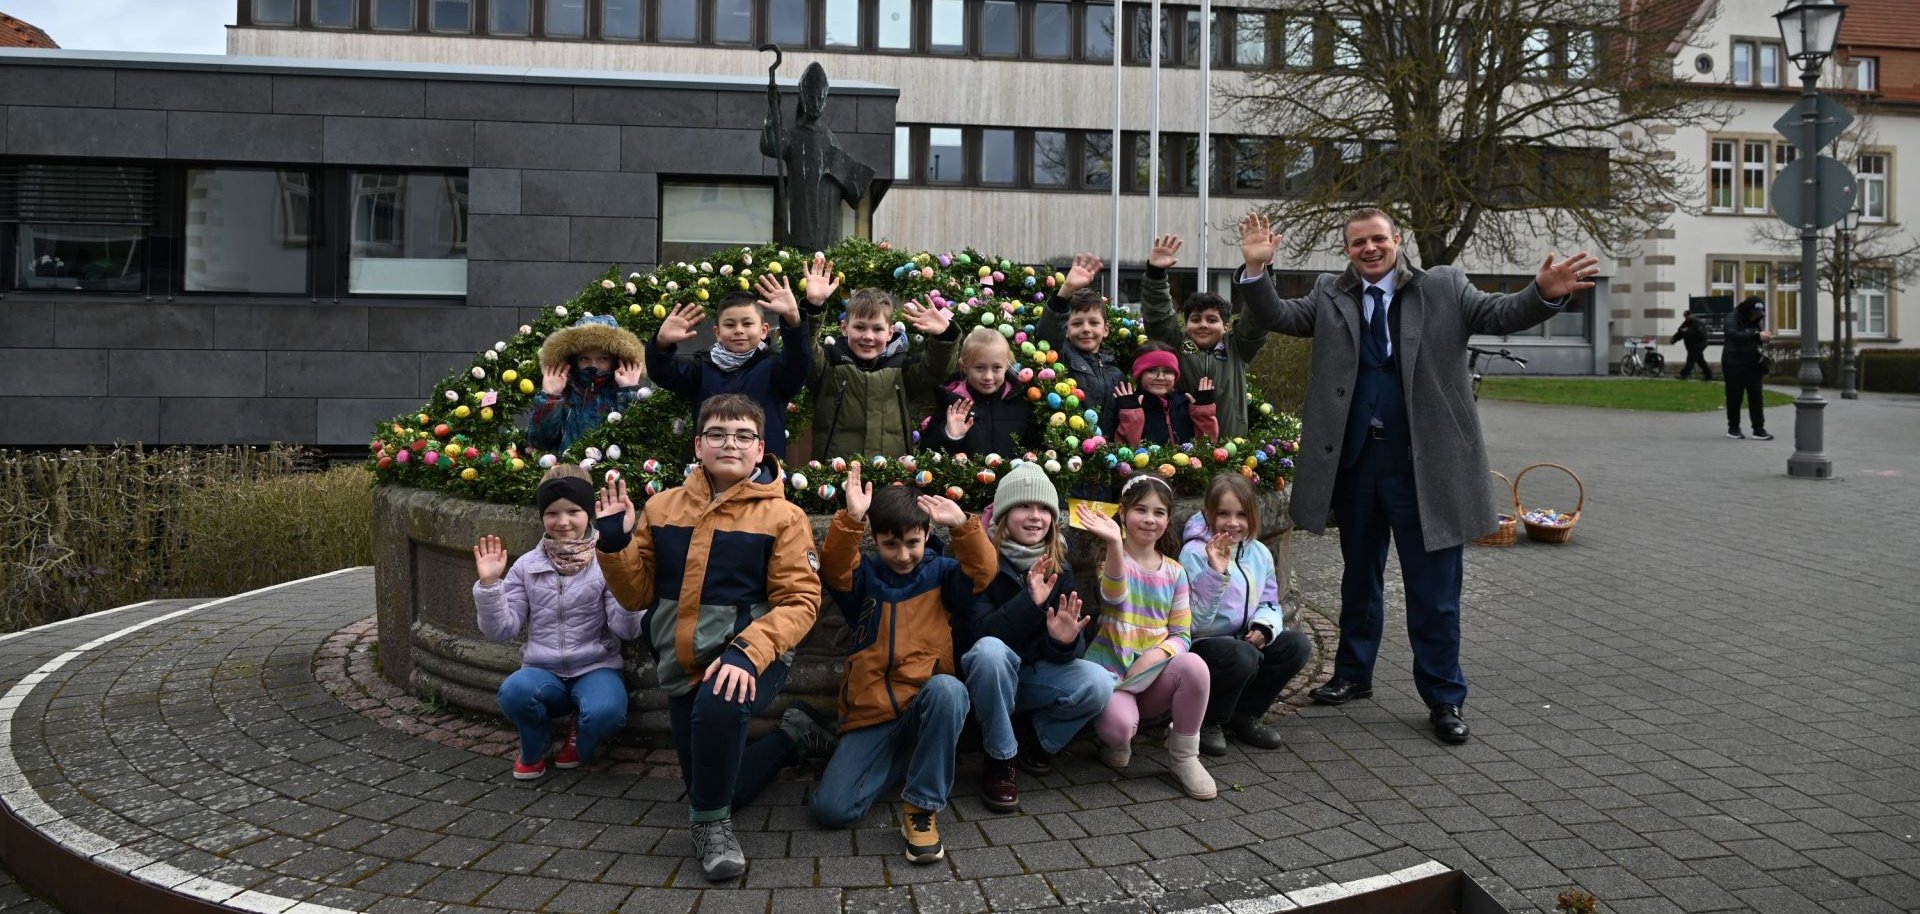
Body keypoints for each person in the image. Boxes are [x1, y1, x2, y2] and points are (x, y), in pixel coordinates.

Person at [1235, 208, 1599, 745]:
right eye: (1358, 242)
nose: (1369, 249)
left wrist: (1542, 293)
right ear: (1348, 249)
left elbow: (1498, 314)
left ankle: (1444, 697)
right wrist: (1255, 272)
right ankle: (1353, 674)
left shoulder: (1445, 286)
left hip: (1425, 470)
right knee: (1359, 579)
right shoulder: (1330, 294)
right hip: (1357, 466)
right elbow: (1279, 317)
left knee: (1435, 592)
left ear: (1397, 240)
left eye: (1378, 239)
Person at [592, 394, 824, 882]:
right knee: (716, 786)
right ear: (699, 444)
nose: (730, 444)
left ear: (760, 449)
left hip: (752, 657)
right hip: (683, 659)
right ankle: (792, 739)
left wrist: (747, 652)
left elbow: (800, 602)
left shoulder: (784, 517)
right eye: (717, 434)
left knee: (718, 720)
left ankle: (711, 831)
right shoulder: (661, 507)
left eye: (743, 436)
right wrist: (613, 542)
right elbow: (636, 596)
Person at [811, 466, 997, 864]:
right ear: (876, 540)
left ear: (928, 535)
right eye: (890, 544)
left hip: (924, 704)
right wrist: (852, 518)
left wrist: (963, 524)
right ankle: (908, 760)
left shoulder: (943, 574)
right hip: (872, 713)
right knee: (831, 810)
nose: (902, 554)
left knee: (950, 690)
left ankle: (921, 807)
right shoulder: (864, 577)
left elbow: (983, 573)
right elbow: (834, 569)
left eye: (912, 542)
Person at [472, 464, 643, 780]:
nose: (563, 522)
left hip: (596, 667)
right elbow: (501, 630)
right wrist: (489, 586)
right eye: (552, 513)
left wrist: (622, 558)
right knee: (514, 692)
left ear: (589, 513)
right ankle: (534, 746)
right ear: (542, 517)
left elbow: (627, 629)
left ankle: (581, 742)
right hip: (542, 669)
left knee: (606, 713)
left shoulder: (606, 559)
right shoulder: (527, 566)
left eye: (573, 511)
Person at [960, 461, 1112, 813]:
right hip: (990, 679)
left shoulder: (1061, 567)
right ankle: (1000, 758)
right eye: (1024, 506)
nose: (1035, 516)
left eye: (1044, 508)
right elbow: (977, 637)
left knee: (1099, 683)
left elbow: (1066, 653)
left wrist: (1063, 641)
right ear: (1004, 514)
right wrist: (1029, 602)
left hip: (1033, 678)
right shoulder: (983, 562)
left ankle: (1036, 739)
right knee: (989, 652)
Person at [1076, 476, 1216, 801]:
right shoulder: (1112, 561)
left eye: (1159, 512)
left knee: (1194, 667)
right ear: (1123, 514)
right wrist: (1113, 543)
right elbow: (1113, 596)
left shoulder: (1175, 572)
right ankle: (1117, 739)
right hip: (1114, 675)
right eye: (1141, 509)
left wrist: (1157, 655)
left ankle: (1183, 756)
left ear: (1168, 520)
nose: (1150, 519)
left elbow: (1182, 634)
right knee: (1120, 728)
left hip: (1153, 675)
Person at [1179, 473, 1312, 756]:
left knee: (1297, 646)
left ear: (1252, 516)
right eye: (1223, 514)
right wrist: (1216, 573)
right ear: (1208, 513)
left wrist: (1265, 627)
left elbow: (1270, 601)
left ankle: (1245, 714)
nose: (1233, 523)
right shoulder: (1193, 554)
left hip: (1244, 640)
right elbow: (1195, 622)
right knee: (1242, 655)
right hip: (1205, 644)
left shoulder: (1259, 553)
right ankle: (1209, 720)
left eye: (1241, 514)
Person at [645, 265, 817, 458]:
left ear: (764, 330)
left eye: (747, 323)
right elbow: (662, 372)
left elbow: (799, 362)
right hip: (712, 474)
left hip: (762, 475)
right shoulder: (702, 369)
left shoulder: (776, 368)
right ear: (717, 333)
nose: (738, 330)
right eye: (729, 324)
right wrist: (661, 343)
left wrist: (793, 319)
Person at [804, 263, 960, 460]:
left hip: (891, 479)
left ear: (890, 332)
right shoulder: (829, 364)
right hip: (836, 479)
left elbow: (936, 370)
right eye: (860, 327)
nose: (868, 336)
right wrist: (813, 307)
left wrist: (944, 336)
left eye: (877, 329)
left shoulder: (902, 369)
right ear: (844, 328)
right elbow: (804, 354)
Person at [1142, 234, 1270, 440]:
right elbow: (1158, 317)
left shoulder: (1236, 348)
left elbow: (1257, 320)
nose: (1203, 325)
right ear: (1186, 323)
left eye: (1212, 320)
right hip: (1182, 450)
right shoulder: (1176, 346)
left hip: (1231, 448)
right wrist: (1156, 274)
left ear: (1226, 326)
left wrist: (1260, 272)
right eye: (1196, 319)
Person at [528, 315, 647, 453]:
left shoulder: (623, 392)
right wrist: (550, 397)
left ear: (615, 360)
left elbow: (639, 443)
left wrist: (629, 392)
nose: (593, 365)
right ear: (574, 360)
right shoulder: (565, 394)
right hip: (566, 471)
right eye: (585, 358)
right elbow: (538, 443)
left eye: (603, 358)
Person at [1038, 253, 1128, 434]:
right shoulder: (1061, 357)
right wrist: (1066, 292)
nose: (1086, 329)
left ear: (1106, 329)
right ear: (1067, 329)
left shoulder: (1116, 374)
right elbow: (1047, 336)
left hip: (1104, 454)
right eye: (1077, 323)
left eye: (1094, 323)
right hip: (1068, 455)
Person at [925, 327, 1040, 457]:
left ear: (1006, 366)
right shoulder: (951, 404)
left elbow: (1035, 449)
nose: (988, 377)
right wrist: (949, 435)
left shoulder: (1020, 401)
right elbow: (927, 453)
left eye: (996, 368)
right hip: (966, 477)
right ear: (964, 367)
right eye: (979, 368)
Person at [1113, 342, 1219, 447]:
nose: (1160, 377)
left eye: (1167, 371)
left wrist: (1203, 413)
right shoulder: (1131, 407)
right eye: (1151, 370)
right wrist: (1131, 417)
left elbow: (1207, 446)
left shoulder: (1185, 403)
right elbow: (1124, 451)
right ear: (1139, 374)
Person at [1722, 297, 1774, 440]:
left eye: (1759, 314)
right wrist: (1757, 336)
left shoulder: (1756, 321)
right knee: (1735, 396)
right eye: (1754, 313)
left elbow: (1754, 337)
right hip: (1733, 362)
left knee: (1756, 396)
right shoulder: (1733, 317)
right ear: (1747, 310)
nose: (1756, 317)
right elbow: (1732, 334)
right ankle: (1733, 428)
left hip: (1752, 362)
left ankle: (1758, 429)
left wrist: (1763, 337)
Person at [1671, 311, 1713, 382]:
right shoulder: (1686, 323)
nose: (1686, 318)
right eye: (1685, 316)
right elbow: (1680, 332)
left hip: (1698, 345)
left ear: (1691, 315)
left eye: (1687, 316)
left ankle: (1684, 375)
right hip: (1691, 346)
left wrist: (1687, 331)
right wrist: (1674, 339)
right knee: (1700, 361)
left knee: (1690, 360)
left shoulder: (1698, 323)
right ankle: (1708, 375)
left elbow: (1700, 333)